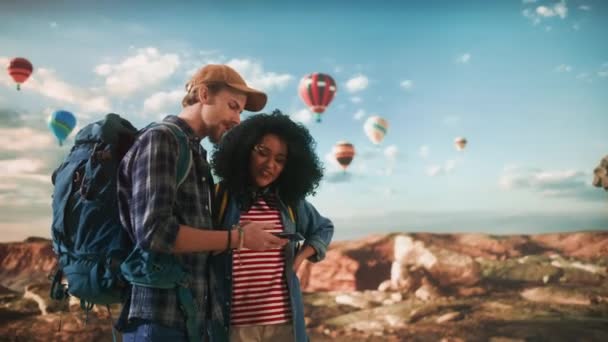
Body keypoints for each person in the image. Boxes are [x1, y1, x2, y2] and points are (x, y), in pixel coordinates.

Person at [117, 64, 287, 341]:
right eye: (233, 106)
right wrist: (239, 238)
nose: (237, 119)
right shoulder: (162, 139)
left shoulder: (195, 152)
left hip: (189, 319)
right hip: (158, 321)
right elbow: (155, 233)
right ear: (204, 94)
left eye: (240, 111)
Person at [208, 110, 334, 342]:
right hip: (234, 327)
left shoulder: (289, 204)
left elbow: (324, 228)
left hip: (285, 325)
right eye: (262, 153)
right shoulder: (219, 198)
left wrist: (298, 259)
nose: (270, 165)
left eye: (280, 160)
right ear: (244, 150)